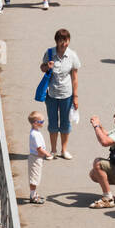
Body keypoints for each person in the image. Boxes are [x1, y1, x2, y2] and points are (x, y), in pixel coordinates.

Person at [40, 28, 80, 157]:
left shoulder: (72, 55)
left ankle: (64, 150)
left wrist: (75, 96)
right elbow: (42, 67)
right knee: (52, 123)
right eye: (61, 41)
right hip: (51, 94)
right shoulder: (50, 53)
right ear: (56, 41)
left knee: (65, 123)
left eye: (66, 40)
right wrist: (47, 67)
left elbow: (74, 77)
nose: (64, 43)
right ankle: (53, 150)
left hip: (66, 94)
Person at [27, 111, 52, 204]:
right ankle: (32, 196)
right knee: (34, 178)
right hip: (35, 158)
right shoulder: (35, 135)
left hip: (37, 158)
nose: (43, 123)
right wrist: (47, 154)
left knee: (36, 177)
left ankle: (34, 193)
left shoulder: (35, 132)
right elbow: (39, 149)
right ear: (35, 123)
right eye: (41, 122)